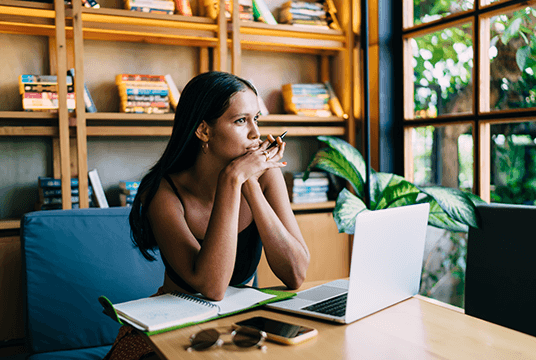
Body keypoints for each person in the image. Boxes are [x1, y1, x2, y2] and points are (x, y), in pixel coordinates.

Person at [103, 71, 310, 360]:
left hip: (238, 326)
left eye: (257, 120)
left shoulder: (264, 178)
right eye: (241, 121)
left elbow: (295, 273)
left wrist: (249, 184)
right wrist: (232, 180)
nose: (255, 134)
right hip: (169, 330)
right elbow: (213, 287)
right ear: (204, 130)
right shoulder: (163, 192)